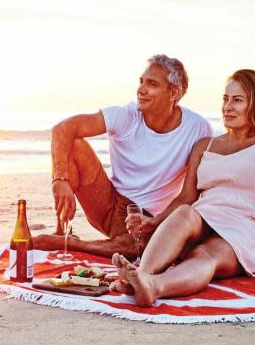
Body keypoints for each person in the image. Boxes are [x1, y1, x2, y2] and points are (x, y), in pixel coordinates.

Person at [112, 69, 255, 307]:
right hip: (202, 220)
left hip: (244, 229)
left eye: (237, 100)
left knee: (206, 254)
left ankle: (154, 287)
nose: (228, 107)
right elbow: (187, 196)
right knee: (185, 213)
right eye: (225, 99)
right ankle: (142, 274)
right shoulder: (205, 145)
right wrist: (156, 221)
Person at [31, 54, 213, 258]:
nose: (141, 90)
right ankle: (63, 229)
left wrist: (160, 221)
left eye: (151, 84)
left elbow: (190, 193)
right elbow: (62, 129)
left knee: (135, 248)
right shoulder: (126, 116)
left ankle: (71, 244)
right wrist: (60, 180)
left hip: (149, 216)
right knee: (74, 145)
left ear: (174, 92)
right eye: (141, 82)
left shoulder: (197, 128)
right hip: (107, 201)